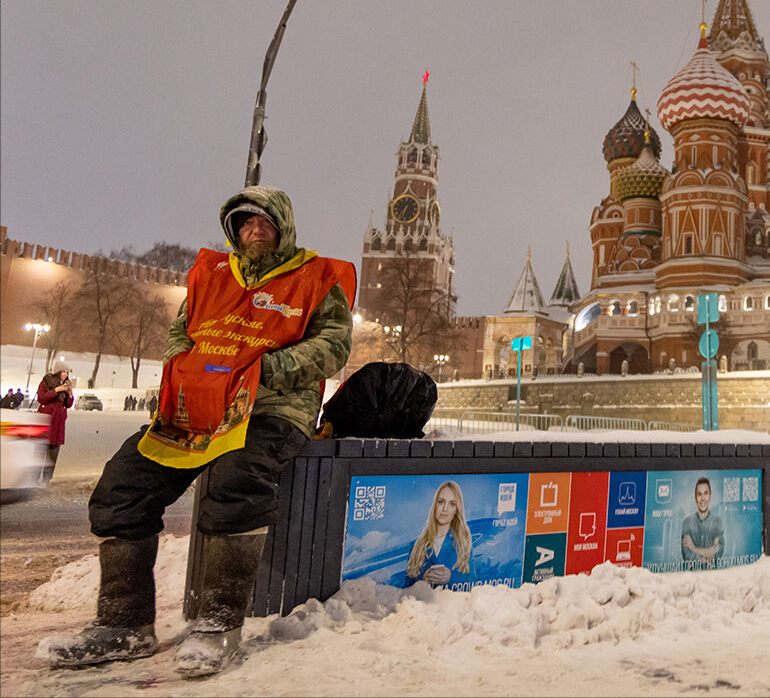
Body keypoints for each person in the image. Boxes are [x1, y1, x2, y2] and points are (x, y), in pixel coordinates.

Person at [39, 186, 355, 678]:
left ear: (283, 227)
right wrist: (183, 368)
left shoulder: (316, 280)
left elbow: (334, 346)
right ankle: (124, 624)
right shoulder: (211, 277)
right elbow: (179, 333)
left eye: (264, 222)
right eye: (245, 222)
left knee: (237, 480)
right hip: (196, 411)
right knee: (122, 486)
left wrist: (265, 370)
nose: (254, 229)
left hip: (271, 409)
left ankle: (217, 625)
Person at [403, 481, 472, 588]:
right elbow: (406, 589)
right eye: (441, 502)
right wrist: (423, 579)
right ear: (434, 505)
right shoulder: (416, 546)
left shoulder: (464, 543)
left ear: (456, 510)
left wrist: (451, 577)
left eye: (452, 504)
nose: (445, 509)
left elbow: (472, 580)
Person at [36, 365, 74, 483]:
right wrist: (56, 390)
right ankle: (33, 479)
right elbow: (41, 398)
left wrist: (70, 394)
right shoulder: (46, 382)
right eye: (63, 371)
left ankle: (47, 480)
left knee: (53, 454)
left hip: (58, 423)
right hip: (47, 421)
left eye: (67, 372)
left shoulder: (66, 385)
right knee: (40, 452)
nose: (65, 374)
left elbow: (67, 404)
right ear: (57, 372)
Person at [681, 476, 724, 569]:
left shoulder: (717, 522)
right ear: (695, 498)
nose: (702, 498)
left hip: (713, 578)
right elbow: (687, 556)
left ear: (710, 497)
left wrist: (694, 549)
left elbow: (718, 552)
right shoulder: (687, 522)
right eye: (699, 494)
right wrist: (709, 554)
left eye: (706, 493)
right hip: (692, 579)